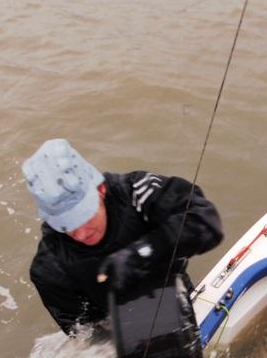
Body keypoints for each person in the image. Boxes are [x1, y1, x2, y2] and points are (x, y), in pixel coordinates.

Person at [24, 139, 223, 336]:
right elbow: (82, 331)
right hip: (119, 329)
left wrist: (142, 253)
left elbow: (206, 222)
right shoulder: (48, 269)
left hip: (174, 293)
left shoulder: (136, 192)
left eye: (84, 216)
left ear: (100, 190)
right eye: (67, 225)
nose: (82, 234)